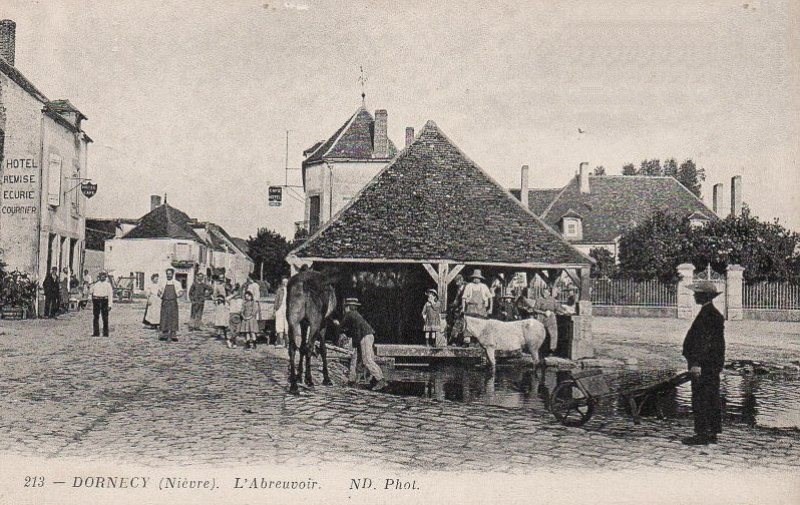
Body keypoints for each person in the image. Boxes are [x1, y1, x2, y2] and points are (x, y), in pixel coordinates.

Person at [681, 281, 726, 446]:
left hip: (704, 365)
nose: (694, 295)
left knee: (702, 398)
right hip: (711, 365)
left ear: (704, 296)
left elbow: (705, 343)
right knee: (711, 397)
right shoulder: (711, 313)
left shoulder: (709, 315)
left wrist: (696, 363)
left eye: (696, 293)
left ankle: (702, 434)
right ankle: (712, 432)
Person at [335, 298, 387, 391]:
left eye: (345, 307)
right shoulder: (356, 315)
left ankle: (380, 380)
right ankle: (353, 380)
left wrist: (337, 324)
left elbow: (341, 327)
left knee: (367, 360)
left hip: (365, 337)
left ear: (347, 307)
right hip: (368, 336)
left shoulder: (349, 314)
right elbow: (353, 331)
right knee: (362, 358)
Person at [532, 286, 567, 356]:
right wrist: (543, 313)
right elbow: (535, 309)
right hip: (541, 317)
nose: (544, 293)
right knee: (539, 333)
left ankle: (552, 349)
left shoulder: (552, 300)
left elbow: (557, 308)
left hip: (551, 317)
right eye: (543, 292)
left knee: (553, 333)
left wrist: (564, 311)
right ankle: (537, 348)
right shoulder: (539, 299)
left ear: (549, 293)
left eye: (546, 292)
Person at [158, 268, 184, 342]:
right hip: (165, 302)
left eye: (170, 274)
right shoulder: (163, 283)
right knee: (164, 318)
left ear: (172, 274)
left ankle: (173, 334)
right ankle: (164, 334)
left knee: (173, 317)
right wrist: (160, 295)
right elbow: (159, 292)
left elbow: (180, 291)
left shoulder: (177, 283)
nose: (168, 275)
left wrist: (179, 294)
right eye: (167, 274)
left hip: (173, 302)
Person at [89, 271, 114, 337]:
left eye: (103, 276)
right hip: (96, 300)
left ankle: (105, 333)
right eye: (101, 276)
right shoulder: (96, 284)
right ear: (99, 277)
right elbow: (90, 291)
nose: (102, 277)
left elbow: (110, 295)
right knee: (96, 317)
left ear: (105, 277)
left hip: (104, 300)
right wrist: (92, 284)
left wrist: (110, 305)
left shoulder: (108, 285)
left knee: (105, 317)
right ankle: (96, 333)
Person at [273, 277, 289, 347]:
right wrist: (275, 309)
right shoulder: (279, 290)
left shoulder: (290, 289)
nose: (285, 283)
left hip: (288, 308)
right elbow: (276, 300)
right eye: (284, 282)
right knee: (279, 324)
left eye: (286, 282)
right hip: (280, 308)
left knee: (287, 324)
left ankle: (287, 343)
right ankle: (280, 342)